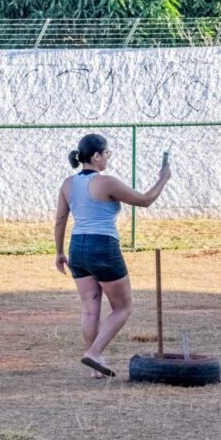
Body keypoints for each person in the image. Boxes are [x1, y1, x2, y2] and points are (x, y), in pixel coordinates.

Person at [54, 134, 171, 378]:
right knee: (122, 307)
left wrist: (59, 252)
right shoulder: (106, 182)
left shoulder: (68, 183)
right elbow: (145, 200)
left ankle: (95, 366)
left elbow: (60, 220)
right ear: (96, 156)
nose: (108, 158)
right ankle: (94, 352)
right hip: (102, 245)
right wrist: (163, 179)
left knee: (90, 309)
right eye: (107, 153)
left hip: (77, 247)